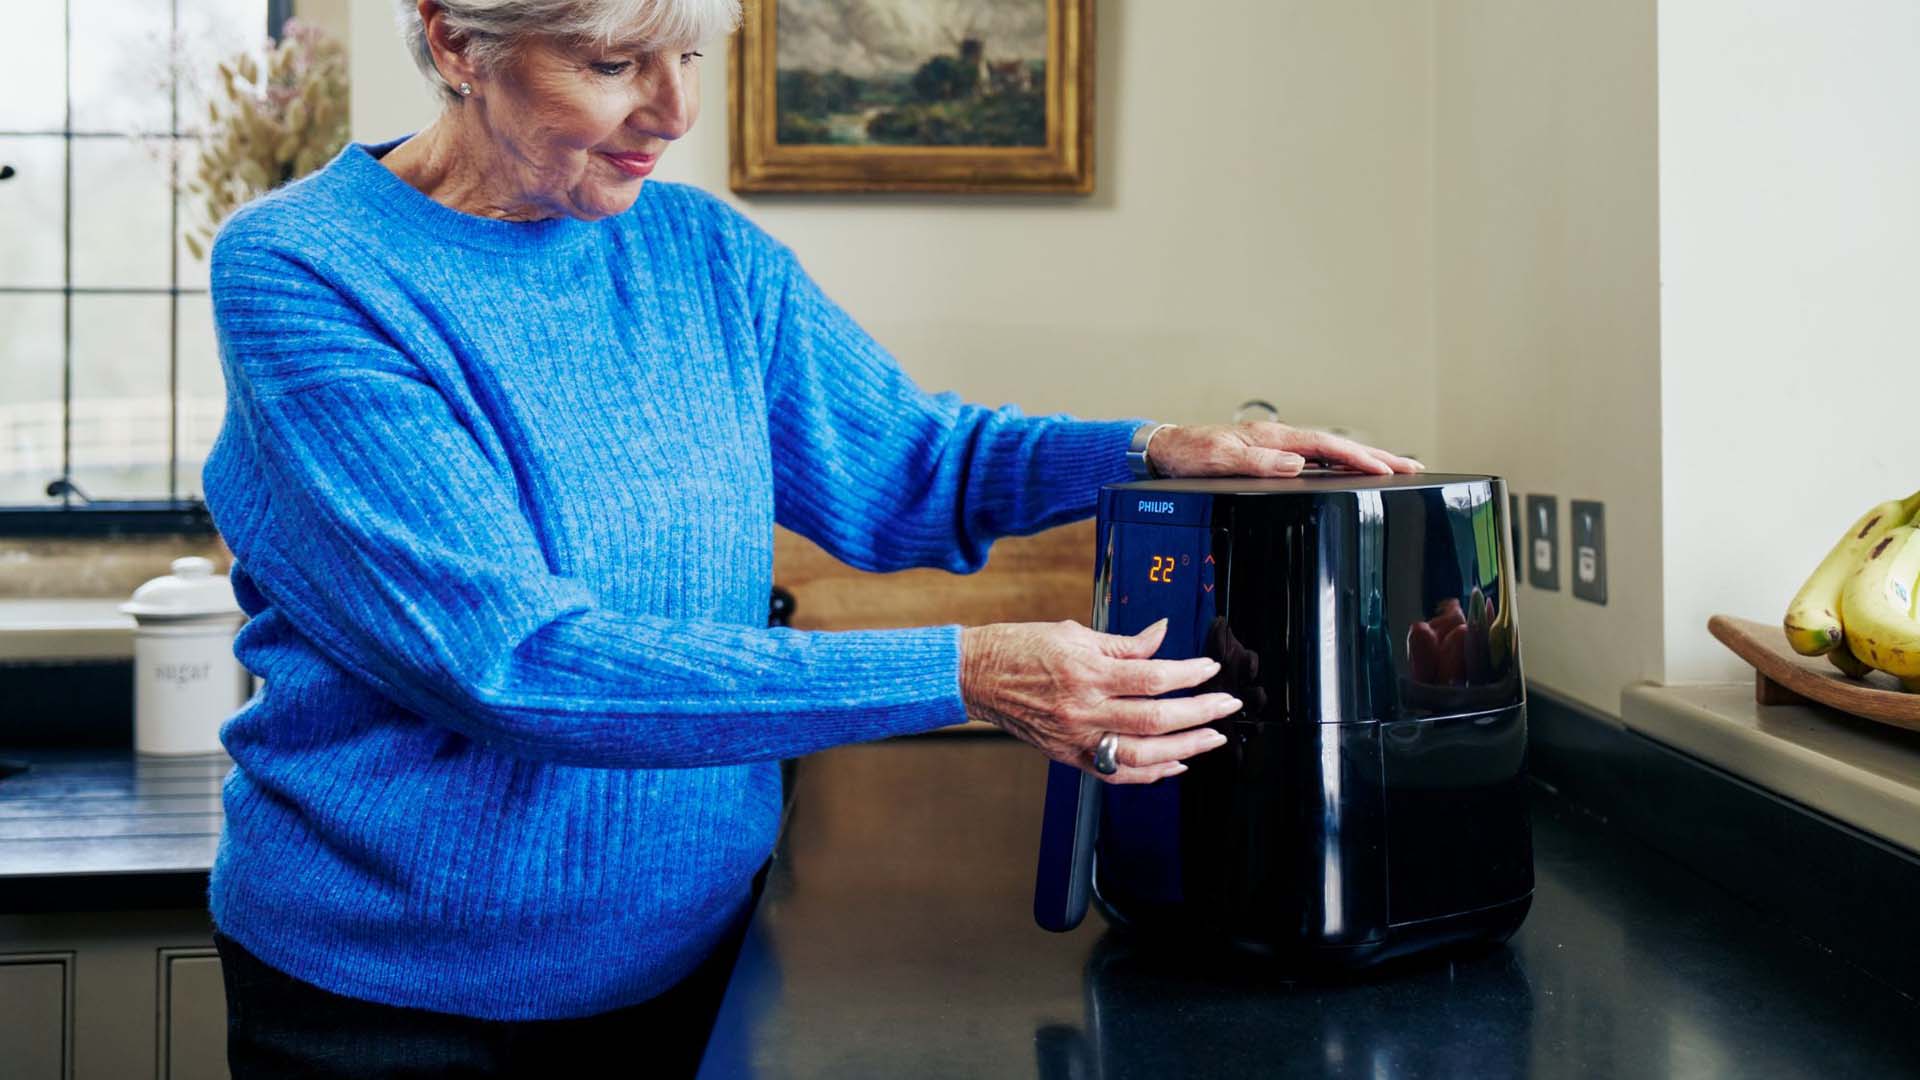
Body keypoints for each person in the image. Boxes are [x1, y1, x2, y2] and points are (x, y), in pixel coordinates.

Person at [200, 0, 1423, 1074]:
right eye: (616, 64)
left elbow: (907, 469)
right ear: (454, 38)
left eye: (685, 54)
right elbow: (511, 662)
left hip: (704, 954)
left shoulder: (705, 255)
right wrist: (968, 672)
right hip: (396, 1002)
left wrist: (1145, 448)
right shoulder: (309, 270)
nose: (674, 110)